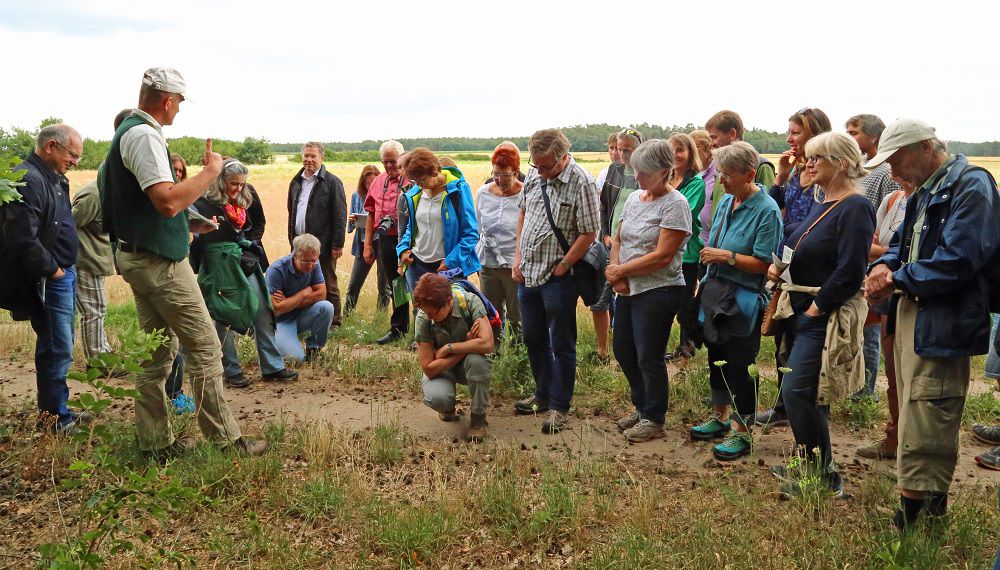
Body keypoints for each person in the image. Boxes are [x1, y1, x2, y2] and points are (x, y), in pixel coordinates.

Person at [102, 67, 265, 456]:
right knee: (206, 348)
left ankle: (154, 444)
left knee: (156, 353)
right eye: (179, 103)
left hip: (140, 257)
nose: (179, 110)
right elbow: (167, 200)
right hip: (161, 264)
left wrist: (188, 227)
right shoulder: (143, 135)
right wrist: (210, 172)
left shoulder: (126, 133)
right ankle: (226, 442)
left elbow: (147, 205)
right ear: (168, 100)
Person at [865, 118, 1000, 529]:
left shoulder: (971, 186)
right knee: (913, 409)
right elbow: (901, 247)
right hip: (913, 309)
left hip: (943, 318)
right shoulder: (924, 190)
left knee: (929, 410)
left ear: (926, 147)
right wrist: (884, 267)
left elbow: (960, 260)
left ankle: (919, 517)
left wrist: (896, 278)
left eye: (898, 158)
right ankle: (921, 506)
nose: (892, 171)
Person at [767, 132, 875, 498]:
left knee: (798, 392)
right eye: (808, 158)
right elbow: (801, 243)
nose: (808, 164)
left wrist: (817, 308)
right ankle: (809, 462)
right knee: (806, 392)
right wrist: (780, 268)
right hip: (802, 307)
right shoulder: (824, 201)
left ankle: (825, 478)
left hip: (821, 314)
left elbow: (850, 269)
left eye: (817, 158)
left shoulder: (855, 207)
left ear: (842, 163)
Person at [688, 142, 782, 460]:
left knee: (740, 365)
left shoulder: (767, 211)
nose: (723, 180)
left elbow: (763, 264)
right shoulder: (728, 199)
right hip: (716, 292)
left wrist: (725, 257)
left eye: (728, 175)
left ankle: (743, 432)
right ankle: (720, 417)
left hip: (742, 299)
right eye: (722, 174)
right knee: (717, 358)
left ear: (750, 174)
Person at [512, 128, 600, 434]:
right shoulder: (535, 176)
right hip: (528, 272)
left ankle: (560, 406)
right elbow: (523, 212)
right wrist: (517, 257)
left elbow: (589, 232)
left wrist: (564, 265)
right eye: (536, 165)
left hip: (559, 278)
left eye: (546, 165)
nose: (540, 171)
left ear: (563, 158)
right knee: (533, 338)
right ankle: (542, 394)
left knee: (562, 342)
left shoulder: (582, 182)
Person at [0, 123, 85, 434]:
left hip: (62, 273)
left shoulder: (52, 177)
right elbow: (22, 238)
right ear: (51, 146)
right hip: (52, 276)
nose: (76, 161)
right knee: (56, 346)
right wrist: (55, 271)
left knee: (60, 343)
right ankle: (56, 421)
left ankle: (56, 408)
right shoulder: (28, 179)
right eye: (72, 154)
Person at [606, 139, 690, 442]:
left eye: (644, 173)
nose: (637, 178)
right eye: (635, 171)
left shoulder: (676, 205)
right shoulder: (634, 199)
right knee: (624, 350)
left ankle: (654, 417)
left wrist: (622, 271)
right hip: (628, 288)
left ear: (665, 171)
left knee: (648, 355)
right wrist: (615, 272)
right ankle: (641, 407)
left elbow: (663, 255)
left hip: (659, 289)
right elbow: (619, 237)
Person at [755, 107, 832, 428]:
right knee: (782, 332)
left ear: (815, 136)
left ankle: (812, 411)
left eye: (796, 132)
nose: (789, 138)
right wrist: (782, 177)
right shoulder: (796, 175)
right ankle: (785, 406)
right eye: (789, 132)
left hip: (813, 270)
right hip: (785, 264)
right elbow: (774, 207)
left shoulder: (825, 179)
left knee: (808, 340)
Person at [191, 159, 297, 386]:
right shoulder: (204, 202)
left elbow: (259, 222)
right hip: (218, 263)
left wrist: (250, 242)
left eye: (241, 184)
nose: (238, 189)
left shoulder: (247, 197)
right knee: (224, 313)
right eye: (233, 184)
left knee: (262, 308)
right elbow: (195, 235)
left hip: (245, 258)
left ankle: (272, 367)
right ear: (221, 181)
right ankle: (231, 371)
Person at [856, 173, 914, 461]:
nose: (893, 171)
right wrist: (891, 255)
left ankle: (913, 445)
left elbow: (898, 252)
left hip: (914, 297)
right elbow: (870, 246)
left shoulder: (927, 200)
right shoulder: (893, 199)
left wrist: (889, 255)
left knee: (914, 376)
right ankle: (894, 438)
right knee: (893, 372)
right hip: (888, 298)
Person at [846, 114, 902, 399]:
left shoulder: (884, 171)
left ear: (874, 138)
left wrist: (876, 247)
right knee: (858, 325)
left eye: (854, 133)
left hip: (879, 262)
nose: (850, 137)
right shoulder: (863, 169)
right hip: (862, 257)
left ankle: (866, 390)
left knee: (871, 328)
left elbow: (893, 224)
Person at [73, 109, 131, 372]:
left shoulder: (105, 191)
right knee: (93, 313)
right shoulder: (94, 194)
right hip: (85, 261)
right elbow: (67, 226)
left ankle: (103, 355)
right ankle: (98, 364)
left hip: (94, 261)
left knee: (98, 310)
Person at [412, 273, 493, 442]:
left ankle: (478, 419)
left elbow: (487, 344)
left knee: (478, 362)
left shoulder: (470, 302)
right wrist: (468, 343)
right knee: (437, 398)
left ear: (448, 302)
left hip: (465, 365)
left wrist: (450, 348)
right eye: (426, 312)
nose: (429, 317)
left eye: (433, 313)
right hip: (441, 369)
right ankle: (447, 408)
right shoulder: (423, 317)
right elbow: (428, 368)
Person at [397, 148, 481, 293]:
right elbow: (412, 226)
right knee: (420, 314)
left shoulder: (458, 191)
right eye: (414, 180)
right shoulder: (416, 191)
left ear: (434, 171)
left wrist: (450, 262)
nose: (418, 184)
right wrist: (403, 249)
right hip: (415, 265)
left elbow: (471, 234)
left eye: (421, 180)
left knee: (449, 313)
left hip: (446, 267)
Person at [592, 129, 643, 364]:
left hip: (636, 247)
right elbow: (603, 206)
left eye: (627, 150)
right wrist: (605, 236)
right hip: (610, 243)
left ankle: (634, 350)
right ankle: (603, 351)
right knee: (600, 298)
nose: (621, 154)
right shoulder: (614, 170)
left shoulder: (646, 173)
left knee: (632, 297)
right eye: (619, 149)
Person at [287, 142, 347, 327]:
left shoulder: (332, 182)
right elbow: (292, 211)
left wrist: (337, 244)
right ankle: (309, 319)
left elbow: (340, 215)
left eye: (313, 156)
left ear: (322, 158)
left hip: (324, 244)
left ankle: (335, 322)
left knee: (328, 282)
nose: (309, 159)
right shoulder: (296, 181)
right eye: (306, 156)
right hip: (299, 244)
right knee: (301, 281)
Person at [476, 143, 524, 344]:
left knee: (517, 317)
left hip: (515, 266)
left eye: (505, 175)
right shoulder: (483, 193)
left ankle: (517, 358)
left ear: (516, 172)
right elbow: (479, 227)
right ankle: (493, 354)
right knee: (491, 314)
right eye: (496, 174)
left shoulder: (525, 193)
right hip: (488, 265)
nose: (499, 179)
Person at [364, 140, 410, 344]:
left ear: (401, 159)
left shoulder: (411, 181)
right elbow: (371, 215)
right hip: (385, 238)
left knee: (416, 282)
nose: (389, 166)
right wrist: (367, 244)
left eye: (393, 162)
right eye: (385, 162)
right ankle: (399, 328)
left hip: (409, 238)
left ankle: (422, 332)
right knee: (396, 283)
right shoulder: (377, 181)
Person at [665, 133, 706, 361]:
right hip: (663, 252)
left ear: (691, 154)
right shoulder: (665, 177)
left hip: (686, 254)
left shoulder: (696, 183)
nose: (675, 155)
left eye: (680, 150)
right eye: (671, 150)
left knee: (684, 306)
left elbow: (684, 214)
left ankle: (685, 351)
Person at [266, 234, 335, 362]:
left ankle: (314, 349)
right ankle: (281, 339)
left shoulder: (314, 262)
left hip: (302, 315)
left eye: (313, 260)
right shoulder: (276, 270)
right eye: (305, 261)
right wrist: (303, 294)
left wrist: (288, 301)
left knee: (327, 307)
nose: (310, 266)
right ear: (295, 255)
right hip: (281, 322)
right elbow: (277, 309)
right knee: (296, 359)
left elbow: (321, 294)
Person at [164, 153, 192, 412]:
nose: (178, 174)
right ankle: (172, 395)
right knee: (172, 341)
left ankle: (173, 394)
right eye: (174, 170)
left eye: (181, 171)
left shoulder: (186, 199)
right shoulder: (163, 199)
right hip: (166, 275)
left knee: (175, 340)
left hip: (183, 269)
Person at [344, 164, 380, 316]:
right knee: (353, 284)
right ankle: (347, 316)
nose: (370, 186)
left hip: (381, 241)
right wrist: (352, 220)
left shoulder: (384, 196)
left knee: (384, 285)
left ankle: (381, 317)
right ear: (362, 183)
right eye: (367, 183)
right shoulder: (356, 196)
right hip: (361, 242)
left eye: (373, 182)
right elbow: (351, 225)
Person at [689, 130, 716, 248]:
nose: (691, 153)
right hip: (693, 242)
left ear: (708, 149)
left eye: (695, 147)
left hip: (712, 243)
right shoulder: (689, 174)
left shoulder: (719, 172)